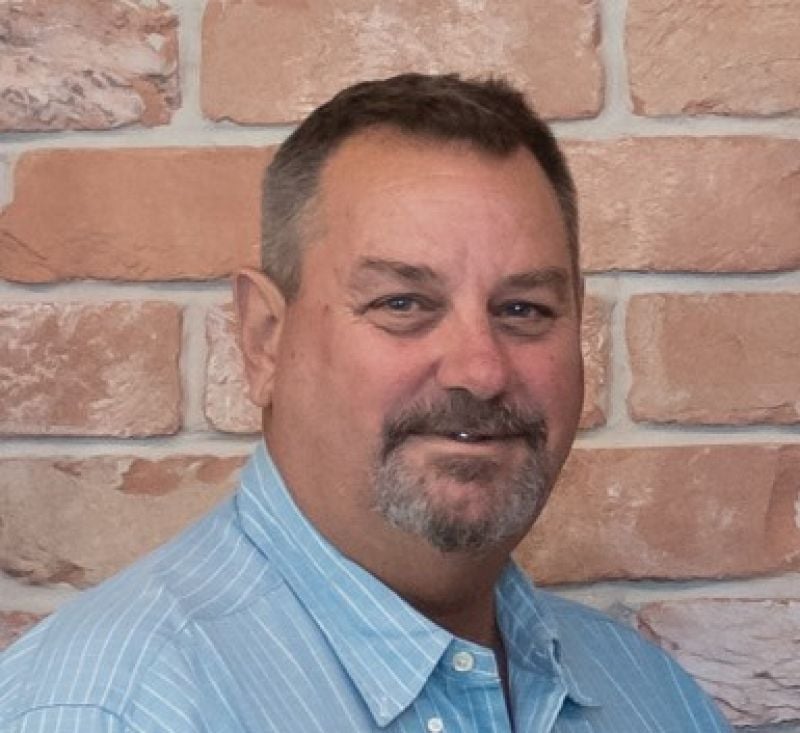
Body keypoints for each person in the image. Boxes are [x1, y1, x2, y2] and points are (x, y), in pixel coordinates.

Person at [0, 73, 731, 732]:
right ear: (264, 340)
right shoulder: (113, 710)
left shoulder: (650, 696)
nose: (480, 371)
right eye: (402, 303)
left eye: (524, 309)